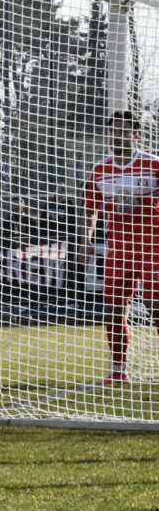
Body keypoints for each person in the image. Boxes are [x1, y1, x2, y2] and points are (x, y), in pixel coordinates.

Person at [82, 110, 159, 385]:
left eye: (123, 130)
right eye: (113, 130)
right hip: (118, 249)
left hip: (152, 248)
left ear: (135, 135)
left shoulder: (153, 165)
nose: (116, 135)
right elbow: (91, 208)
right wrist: (87, 239)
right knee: (113, 309)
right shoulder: (100, 169)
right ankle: (118, 370)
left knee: (156, 306)